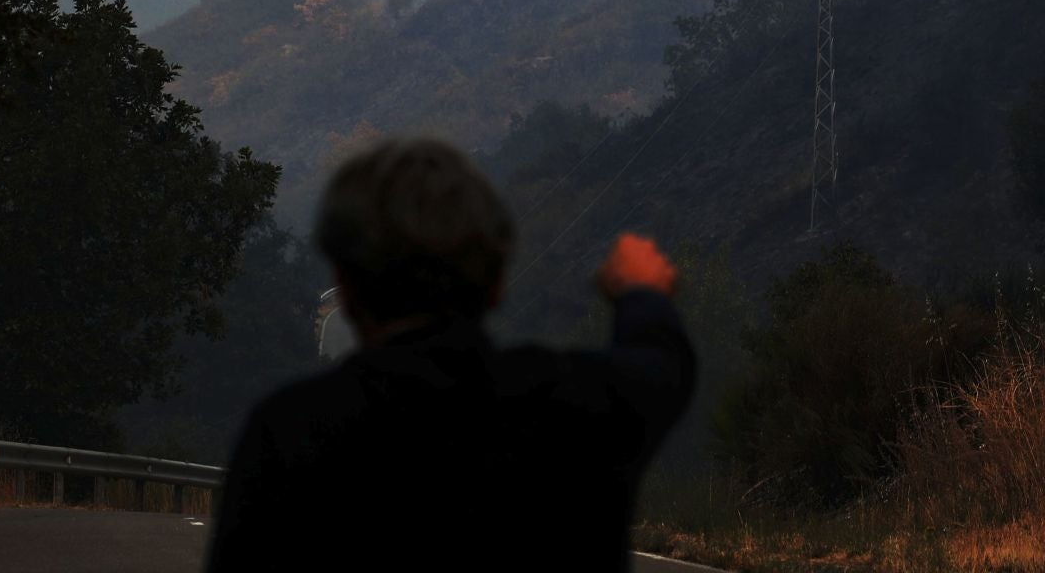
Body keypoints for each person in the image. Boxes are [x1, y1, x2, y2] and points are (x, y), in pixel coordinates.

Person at [204, 137, 695, 571]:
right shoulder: (575, 407)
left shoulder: (287, 432)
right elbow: (662, 364)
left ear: (345, 287)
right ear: (497, 283)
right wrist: (641, 292)